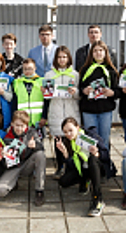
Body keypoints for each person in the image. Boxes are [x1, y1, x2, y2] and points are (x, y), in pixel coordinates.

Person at [56, 117, 116, 217]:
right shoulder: (67, 142)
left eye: (71, 130)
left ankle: (98, 200)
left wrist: (97, 153)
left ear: (78, 127)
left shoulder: (90, 135)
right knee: (63, 182)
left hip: (98, 168)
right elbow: (72, 167)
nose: (68, 134)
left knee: (92, 160)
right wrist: (65, 153)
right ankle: (85, 180)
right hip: (83, 169)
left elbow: (106, 155)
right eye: (65, 132)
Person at [42, 45, 80, 179]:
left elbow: (80, 96)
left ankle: (72, 167)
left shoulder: (75, 74)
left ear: (68, 58)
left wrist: (76, 92)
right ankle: (60, 167)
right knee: (58, 140)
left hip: (71, 111)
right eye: (59, 57)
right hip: (56, 111)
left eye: (64, 57)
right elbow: (46, 98)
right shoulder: (49, 75)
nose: (62, 59)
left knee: (70, 140)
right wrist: (45, 92)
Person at [0, 110, 46, 206]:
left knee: (40, 155)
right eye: (17, 125)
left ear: (26, 125)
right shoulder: (6, 136)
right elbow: (3, 163)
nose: (19, 128)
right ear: (12, 124)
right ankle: (13, 183)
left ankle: (39, 191)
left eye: (22, 126)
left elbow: (42, 147)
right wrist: (2, 156)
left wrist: (35, 145)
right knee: (0, 191)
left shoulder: (31, 132)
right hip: (13, 167)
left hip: (27, 164)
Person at [79, 40, 120, 149]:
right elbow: (79, 88)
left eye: (100, 50)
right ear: (91, 53)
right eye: (95, 51)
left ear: (105, 52)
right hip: (89, 110)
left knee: (104, 139)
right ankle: (92, 164)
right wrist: (84, 91)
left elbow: (118, 91)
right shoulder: (85, 70)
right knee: (90, 139)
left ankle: (105, 163)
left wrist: (112, 93)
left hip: (105, 110)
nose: (98, 53)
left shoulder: (111, 71)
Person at [12, 58, 44, 129]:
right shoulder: (17, 82)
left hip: (38, 120)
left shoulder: (42, 82)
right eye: (25, 69)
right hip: (22, 121)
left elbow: (47, 101)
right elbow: (14, 102)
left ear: (35, 68)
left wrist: (44, 117)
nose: (27, 71)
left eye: (30, 69)